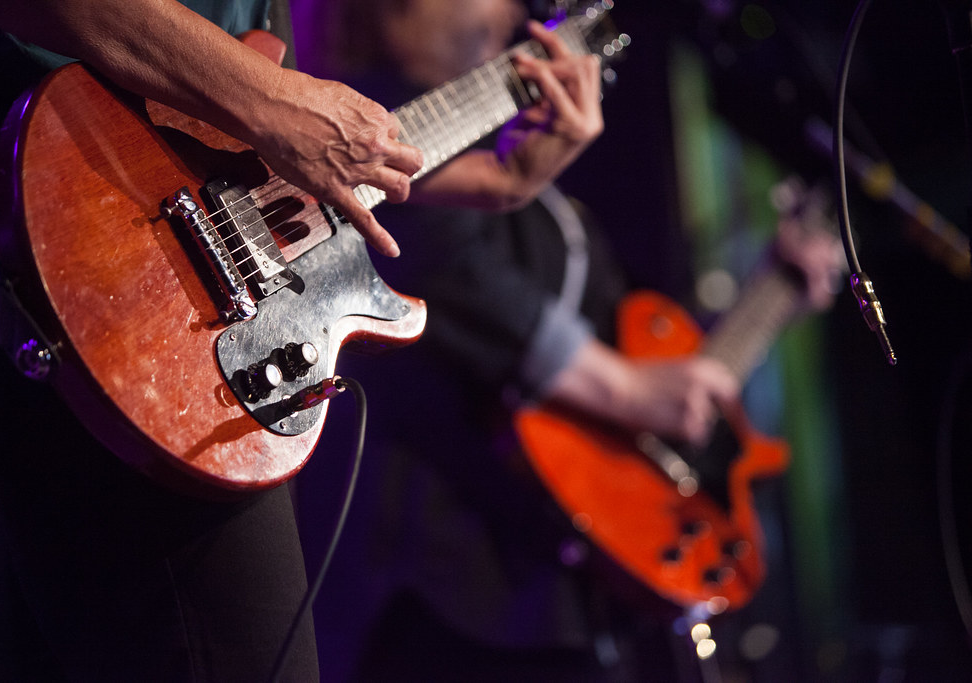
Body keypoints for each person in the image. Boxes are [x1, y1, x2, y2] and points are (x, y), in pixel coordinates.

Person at [0, 0, 601, 679]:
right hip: (80, 210)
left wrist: (490, 183)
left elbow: (255, 131)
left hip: (180, 301)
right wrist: (267, 100)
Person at [291, 0, 844, 680]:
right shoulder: (360, 146)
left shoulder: (549, 201)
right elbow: (448, 266)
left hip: (560, 585)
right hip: (452, 579)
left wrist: (773, 291)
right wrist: (628, 387)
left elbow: (649, 370)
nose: (509, 15)